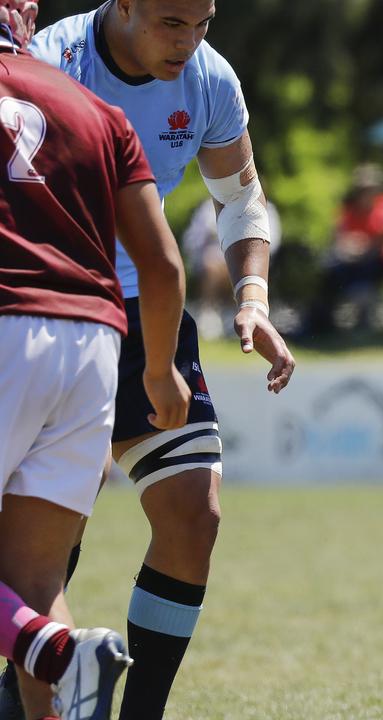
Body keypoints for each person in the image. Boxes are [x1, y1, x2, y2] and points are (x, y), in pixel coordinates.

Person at [12, 3, 298, 719]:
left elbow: (240, 198)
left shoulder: (209, 79)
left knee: (193, 515)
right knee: (46, 541)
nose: (189, 41)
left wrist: (253, 295)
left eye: (202, 21)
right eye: (173, 22)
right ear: (126, 5)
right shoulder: (52, 61)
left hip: (145, 314)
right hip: (57, 310)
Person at [0, 1, 191, 717]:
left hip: (5, 325)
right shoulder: (96, 108)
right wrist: (159, 369)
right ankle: (65, 654)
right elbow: (164, 267)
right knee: (36, 578)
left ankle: (52, 651)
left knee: (29, 602)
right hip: (94, 347)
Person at [306, 163, 383, 333]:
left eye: (371, 188)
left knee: (362, 272)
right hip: (353, 258)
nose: (367, 192)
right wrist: (351, 246)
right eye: (363, 189)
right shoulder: (350, 209)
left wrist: (362, 245)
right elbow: (340, 236)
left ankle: (362, 314)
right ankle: (322, 319)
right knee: (330, 266)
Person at [182, 196, 282, 338]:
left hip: (248, 262)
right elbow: (192, 239)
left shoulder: (264, 207)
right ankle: (209, 314)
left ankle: (240, 313)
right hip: (213, 261)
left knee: (241, 270)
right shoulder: (208, 207)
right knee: (211, 265)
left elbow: (271, 242)